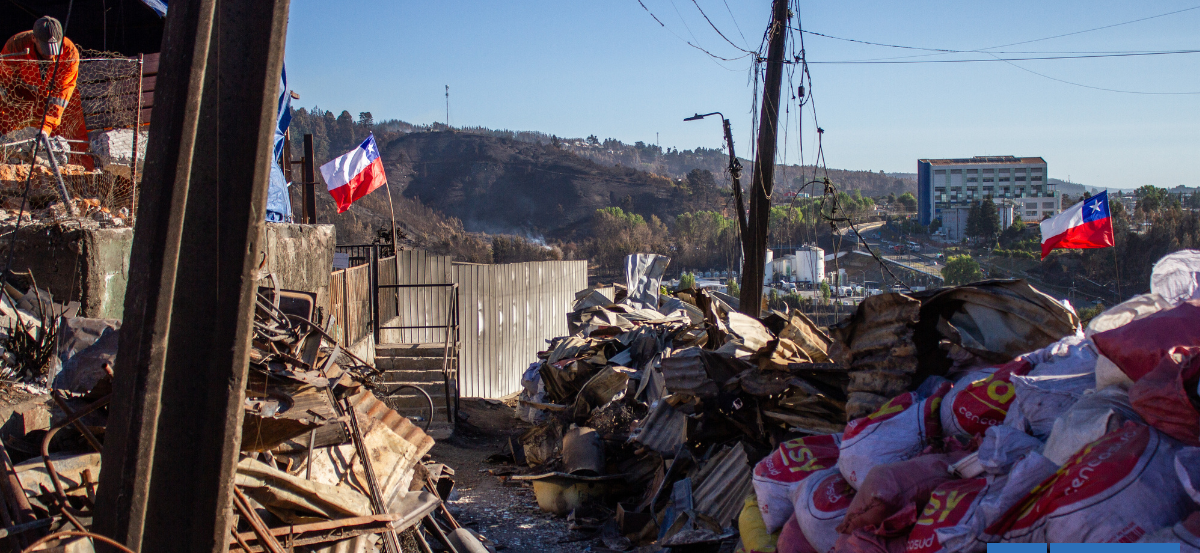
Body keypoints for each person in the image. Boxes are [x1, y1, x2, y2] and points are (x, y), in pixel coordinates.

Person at [0, 16, 81, 138]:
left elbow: (63, 93)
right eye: (45, 49)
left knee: (72, 136)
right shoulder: (15, 45)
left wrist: (45, 127)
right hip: (22, 99)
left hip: (54, 103)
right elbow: (4, 80)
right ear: (33, 38)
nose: (51, 54)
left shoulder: (70, 53)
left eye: (55, 48)